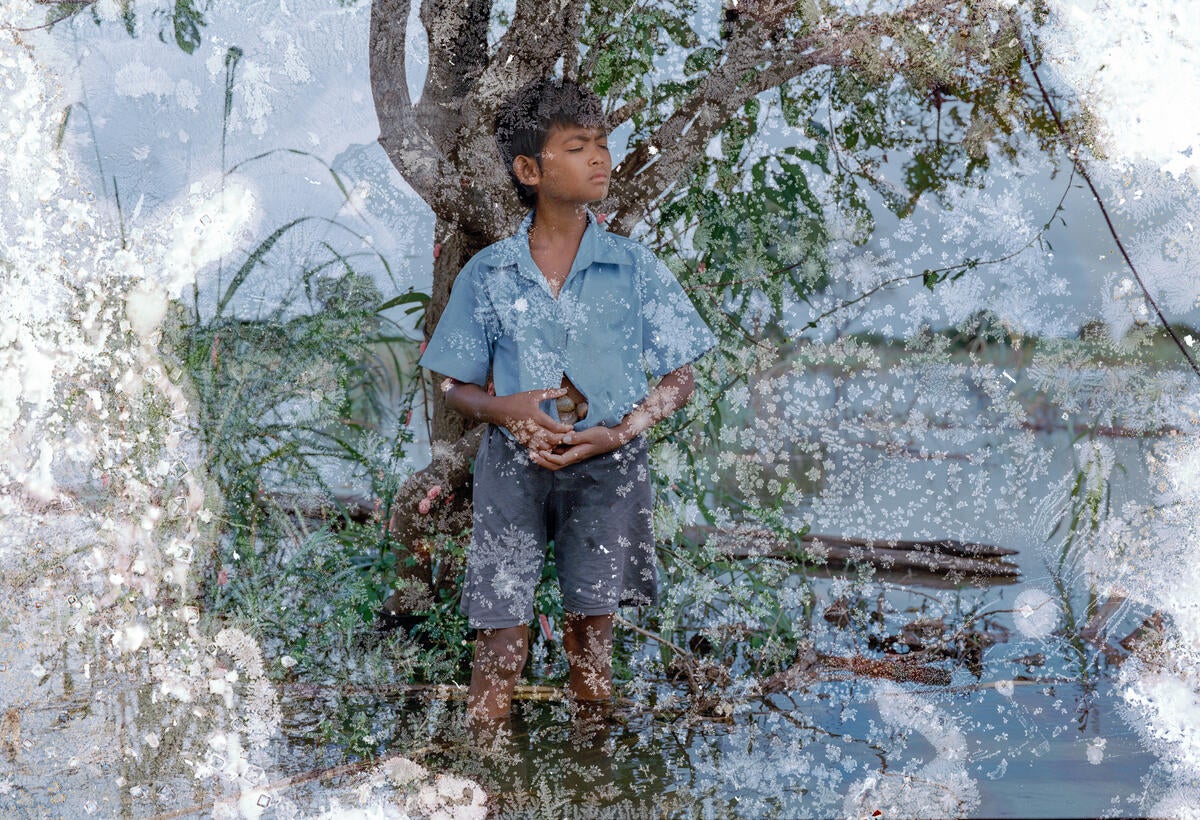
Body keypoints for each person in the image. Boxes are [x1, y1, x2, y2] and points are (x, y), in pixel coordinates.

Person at [418, 77, 716, 726]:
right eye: (578, 146)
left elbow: (680, 378)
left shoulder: (632, 268)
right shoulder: (490, 272)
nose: (601, 158)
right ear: (529, 169)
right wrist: (510, 409)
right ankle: (482, 766)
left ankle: (593, 763)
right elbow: (450, 382)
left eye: (603, 143)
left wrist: (620, 431)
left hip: (609, 470)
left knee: (592, 634)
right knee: (499, 632)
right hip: (511, 469)